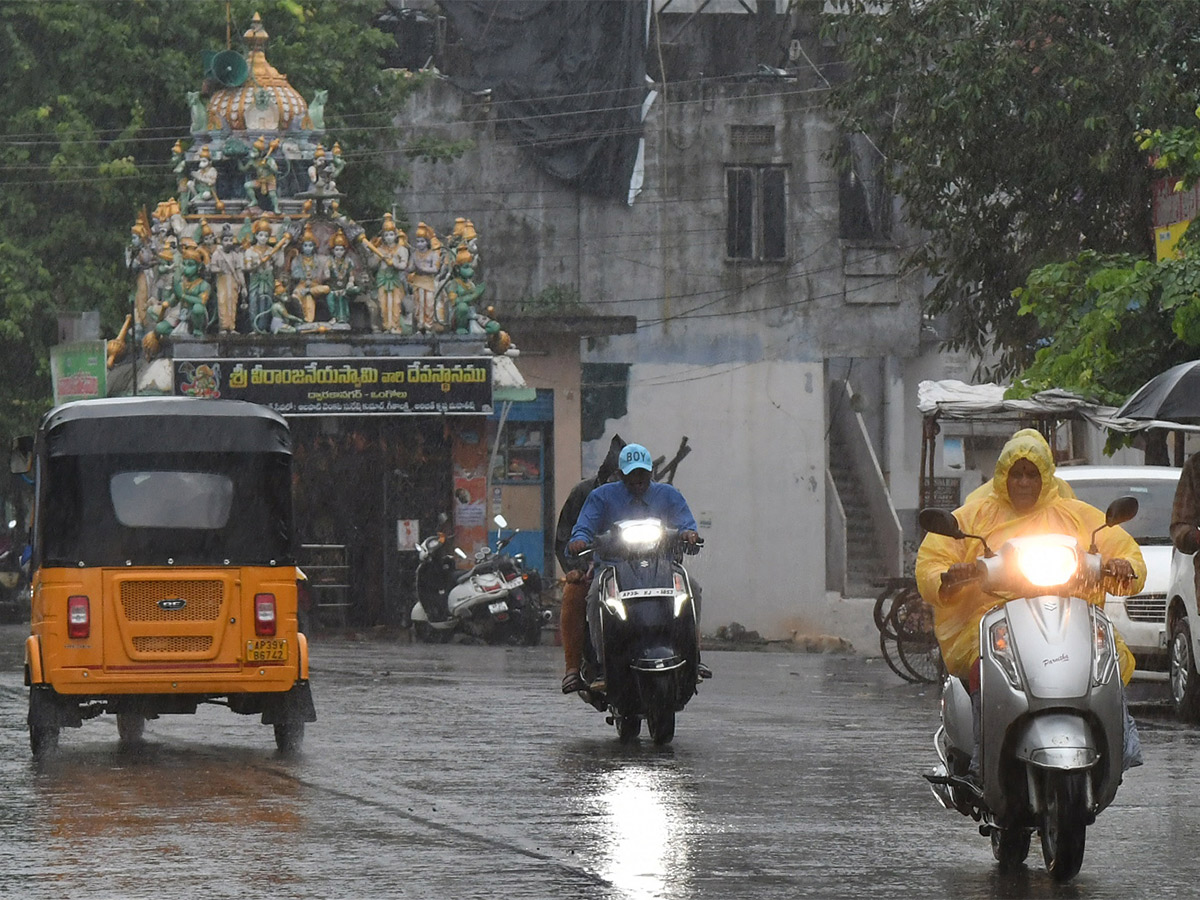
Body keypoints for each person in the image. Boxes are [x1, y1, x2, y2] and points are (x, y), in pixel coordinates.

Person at [915, 429, 1145, 777]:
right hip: (994, 620)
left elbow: (1122, 549)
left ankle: (1120, 738)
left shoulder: (1078, 516)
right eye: (1017, 473)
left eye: (1032, 473)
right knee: (983, 666)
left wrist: (1122, 566)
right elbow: (933, 559)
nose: (1023, 482)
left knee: (1106, 661)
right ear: (1003, 475)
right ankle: (981, 749)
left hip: (1067, 620)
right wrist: (950, 575)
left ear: (1046, 477)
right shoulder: (974, 517)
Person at [568, 442, 710, 692]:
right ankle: (601, 664)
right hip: (613, 567)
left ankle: (693, 656)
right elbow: (583, 525)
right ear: (621, 475)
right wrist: (579, 539)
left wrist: (689, 534)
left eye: (642, 474)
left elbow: (686, 522)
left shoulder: (668, 494)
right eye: (631, 475)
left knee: (692, 590)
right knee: (593, 598)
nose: (637, 480)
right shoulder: (601, 496)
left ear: (650, 473)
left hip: (661, 566)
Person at [554, 435, 625, 694]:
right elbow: (566, 536)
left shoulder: (647, 494)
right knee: (574, 594)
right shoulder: (585, 494)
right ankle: (573, 668)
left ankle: (689, 657)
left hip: (643, 571)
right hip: (597, 569)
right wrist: (577, 567)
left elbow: (670, 523)